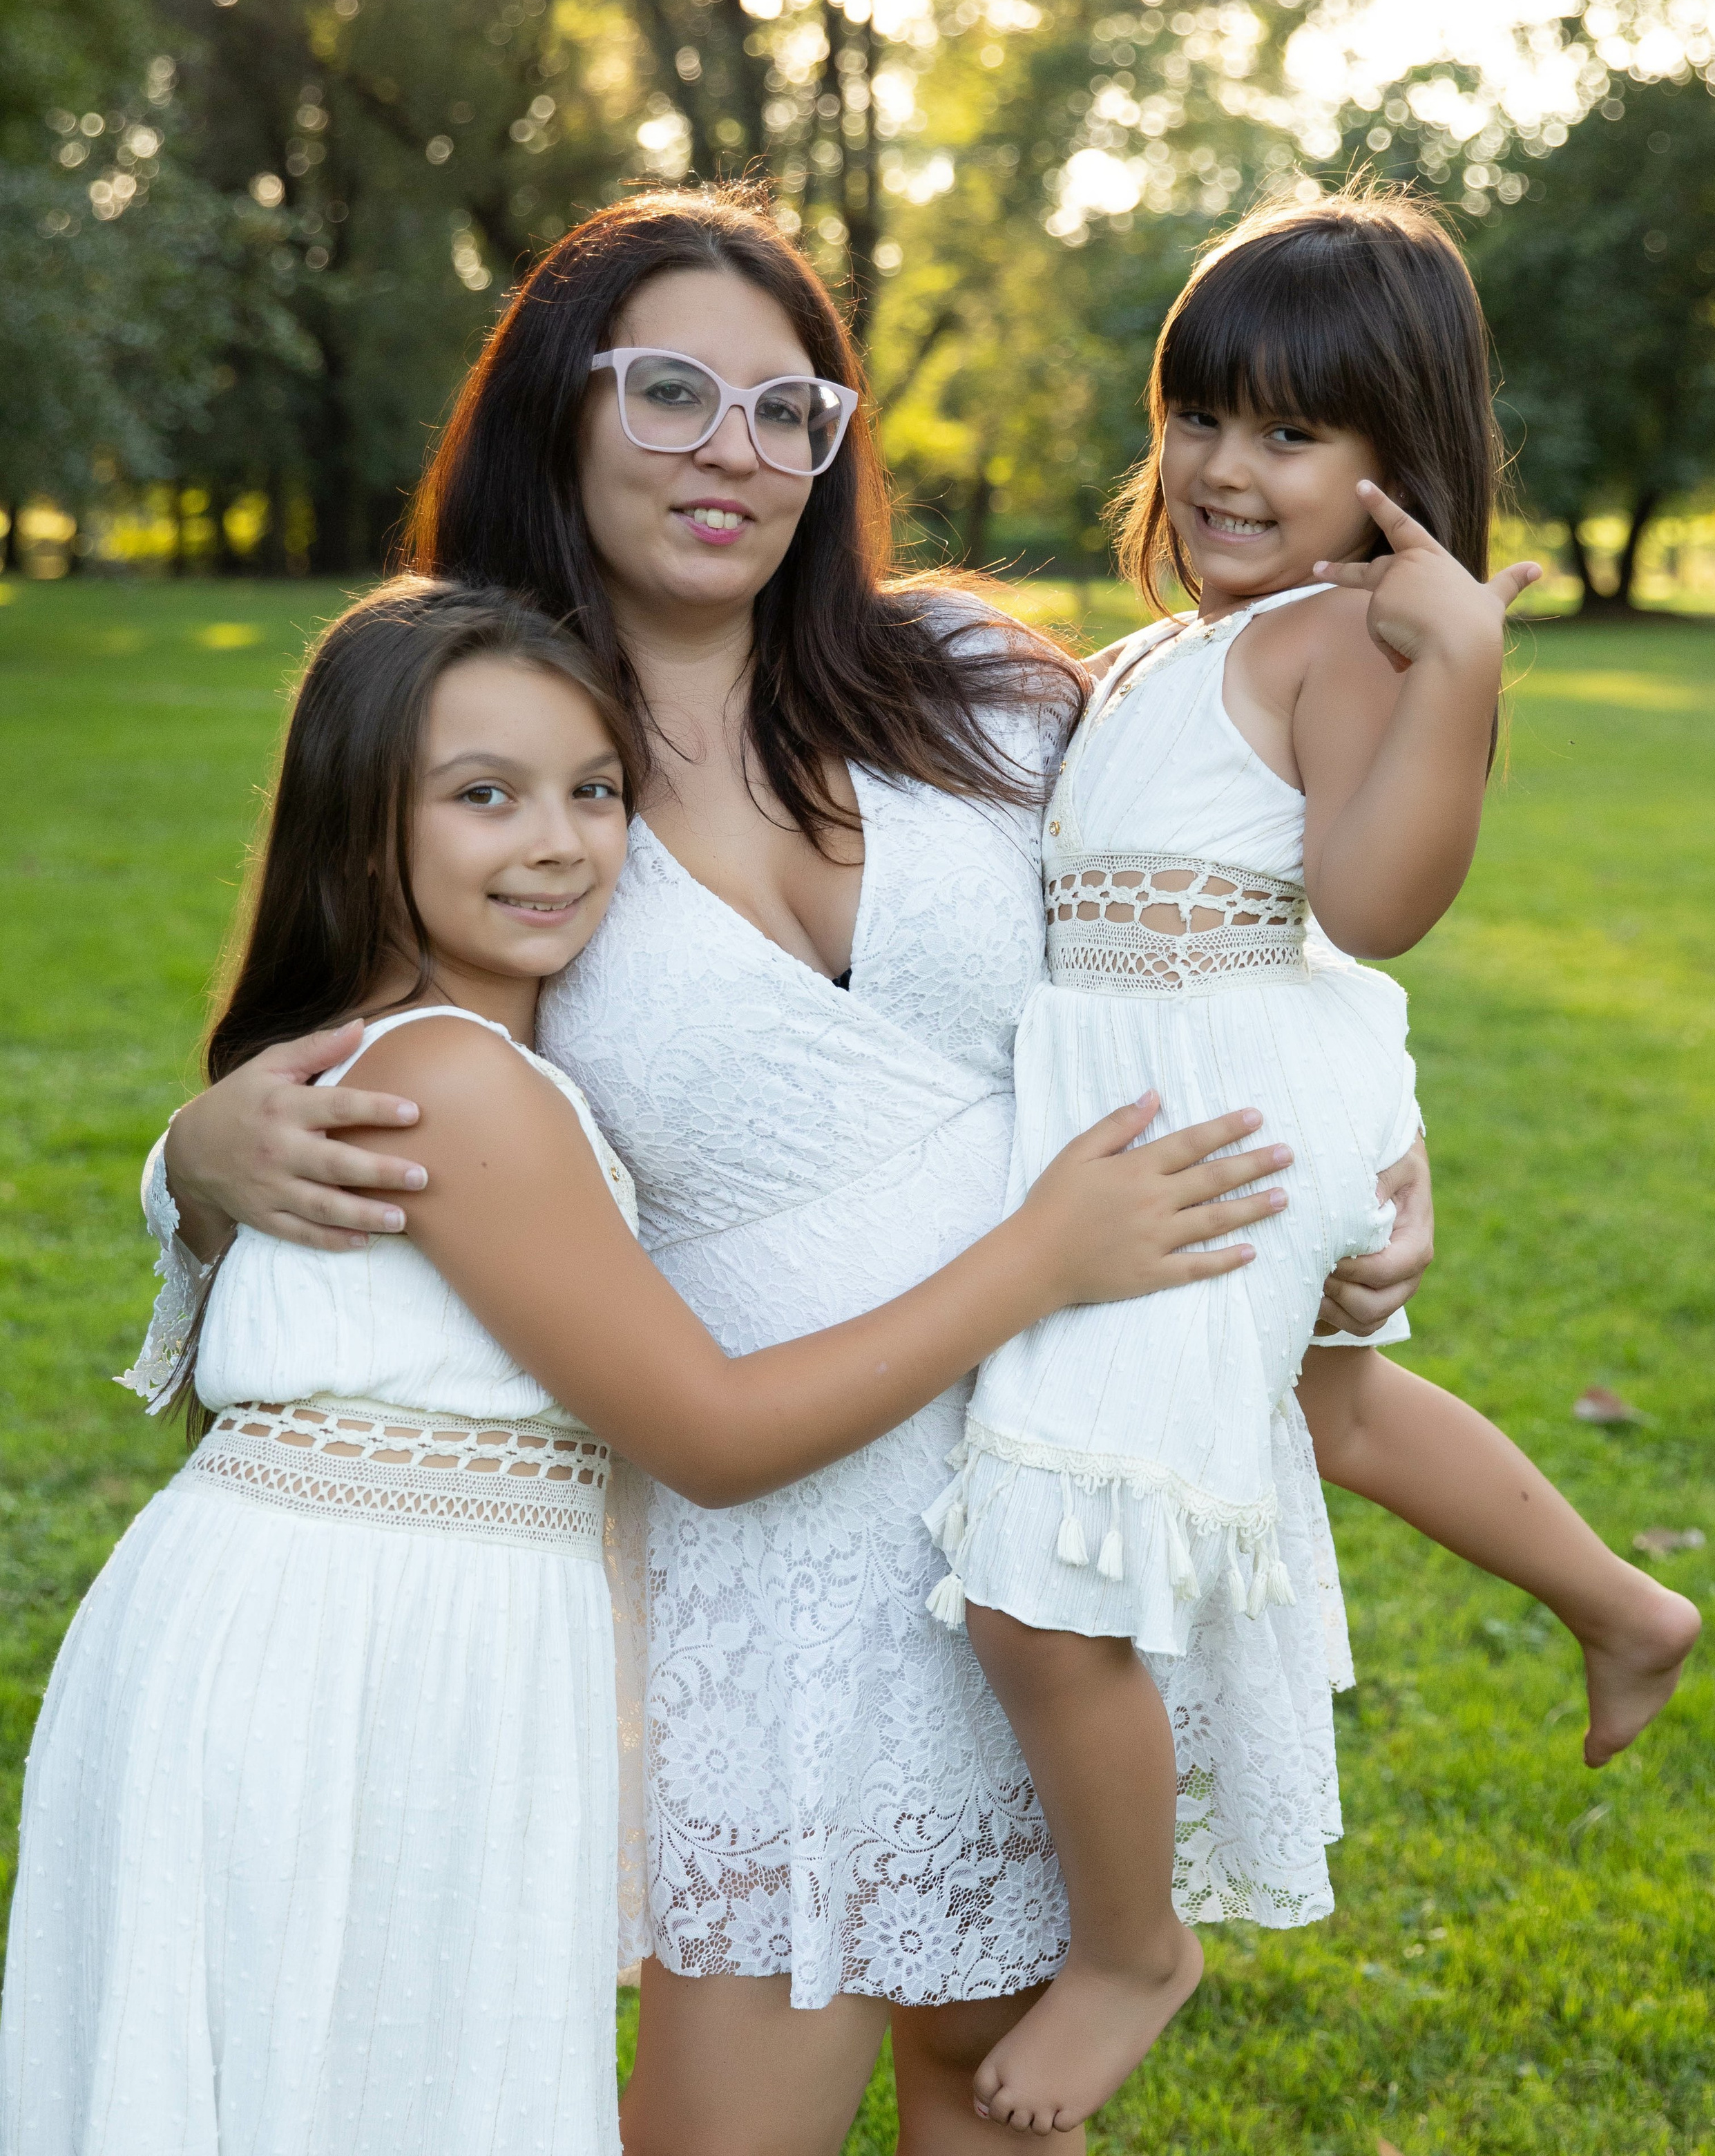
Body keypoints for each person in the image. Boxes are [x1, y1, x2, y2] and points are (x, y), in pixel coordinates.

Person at [146, 186, 1437, 2155]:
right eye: (671, 392)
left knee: (996, 2107)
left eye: (786, 409)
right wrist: (200, 1156)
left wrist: (1382, 1157)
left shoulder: (976, 683)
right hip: (768, 1561)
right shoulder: (502, 744)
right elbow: (362, 1043)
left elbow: (1230, 896)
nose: (731, 451)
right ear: (557, 408)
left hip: (1041, 1505)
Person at [0, 578, 1294, 2156]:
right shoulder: (450, 1085)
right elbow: (711, 1433)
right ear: (359, 832)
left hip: (397, 1632)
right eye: (484, 796)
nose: (557, 842)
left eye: (596, 791)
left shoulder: (440, 1064)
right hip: (353, 1658)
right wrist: (1041, 1257)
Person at [919, 190, 1705, 2136]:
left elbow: (1372, 900)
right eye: (1197, 415)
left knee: (1041, 1585)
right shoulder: (1182, 648)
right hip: (1198, 1086)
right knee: (1333, 1406)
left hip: (1219, 1120)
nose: (1221, 465)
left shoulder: (1351, 636)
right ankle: (1626, 1607)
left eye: (1288, 432)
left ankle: (1132, 1948)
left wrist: (1462, 669)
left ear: (1390, 460)